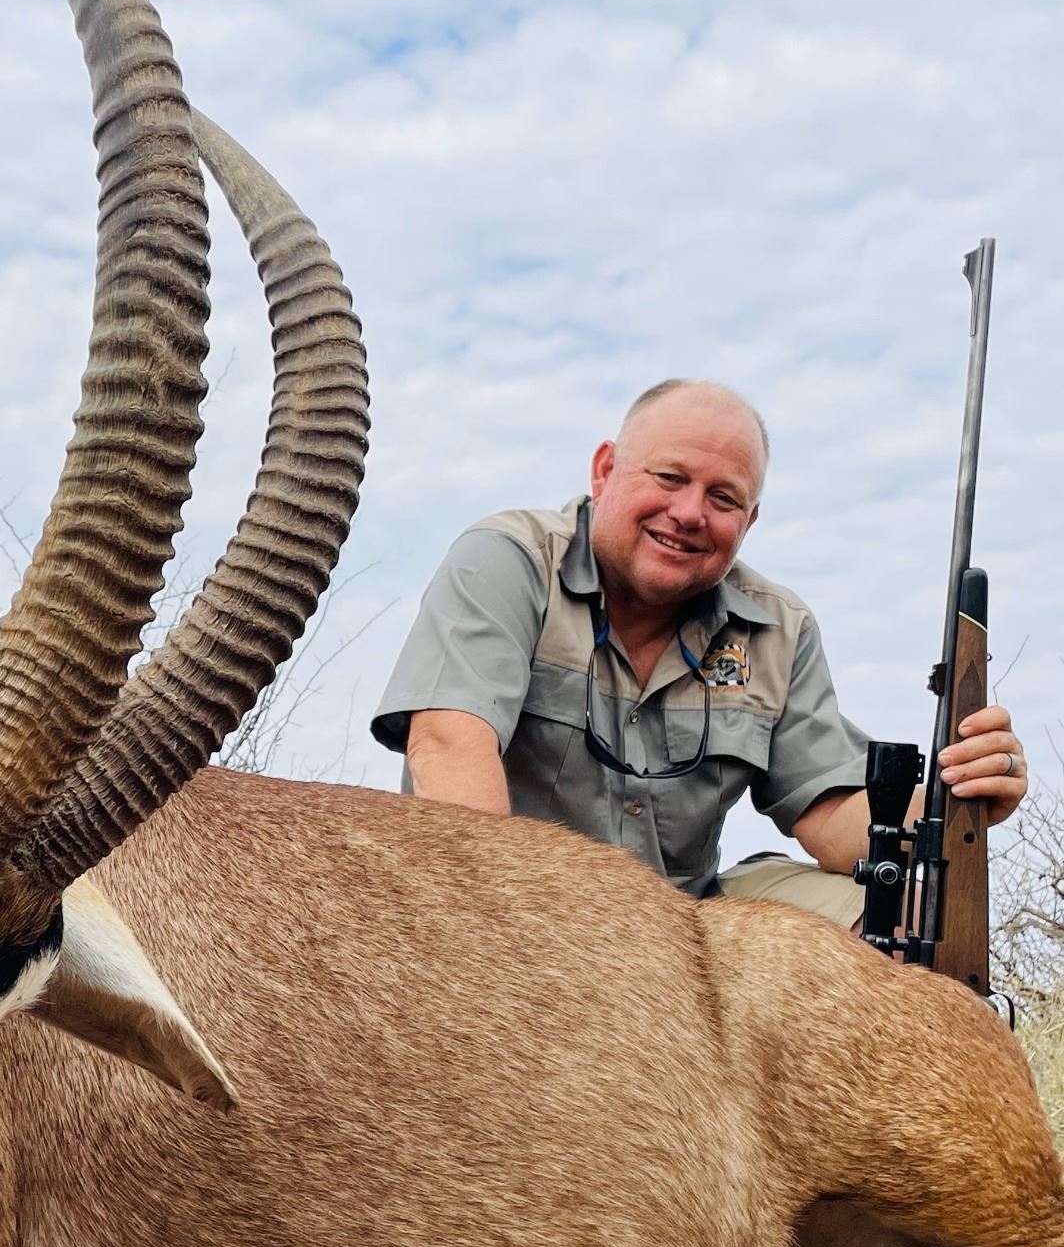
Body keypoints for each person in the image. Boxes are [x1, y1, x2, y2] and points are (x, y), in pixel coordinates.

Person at [370, 378, 1028, 921]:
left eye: (723, 498)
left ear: (750, 520)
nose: (689, 513)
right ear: (605, 471)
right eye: (669, 477)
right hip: (519, 909)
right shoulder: (508, 560)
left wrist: (961, 796)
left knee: (903, 912)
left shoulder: (780, 629)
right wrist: (514, 931)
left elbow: (830, 815)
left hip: (684, 927)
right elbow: (449, 745)